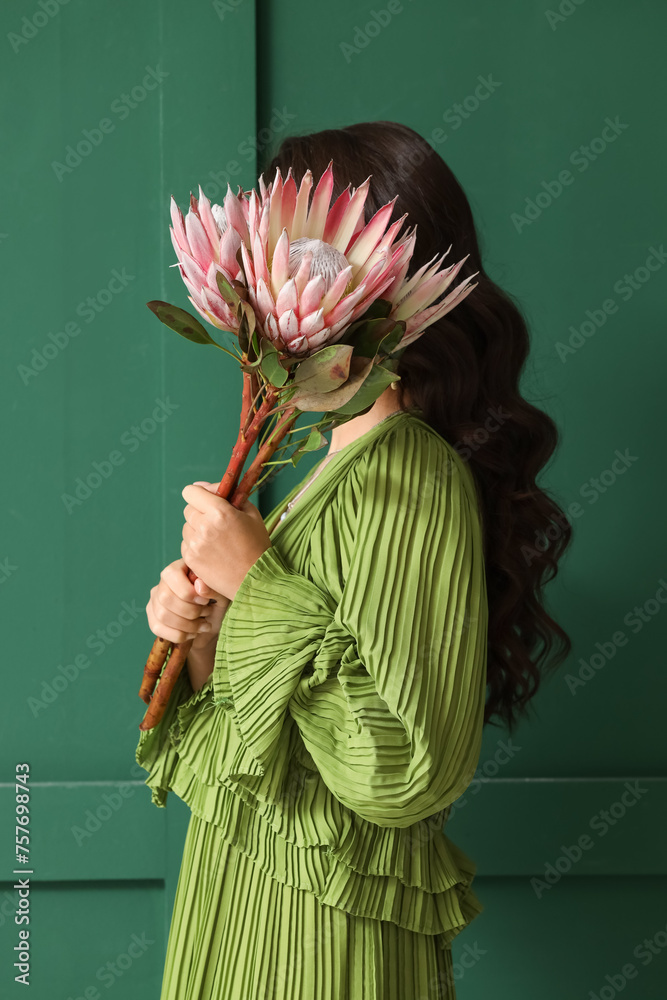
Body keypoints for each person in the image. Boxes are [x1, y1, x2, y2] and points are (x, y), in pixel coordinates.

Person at [136, 121, 573, 1000]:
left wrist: (256, 581)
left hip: (318, 943)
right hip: (259, 908)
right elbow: (291, 725)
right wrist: (216, 634)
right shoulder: (333, 463)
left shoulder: (409, 473)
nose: (266, 287)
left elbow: (404, 768)